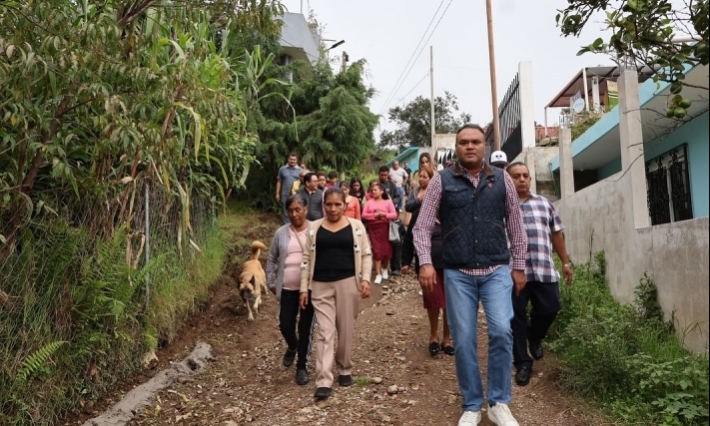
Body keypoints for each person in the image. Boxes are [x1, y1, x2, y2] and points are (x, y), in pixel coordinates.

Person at [413, 124, 528, 426]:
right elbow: (422, 226)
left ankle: (499, 402)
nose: (470, 147)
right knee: (463, 339)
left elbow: (516, 226)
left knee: (502, 330)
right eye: (463, 142)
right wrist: (425, 262)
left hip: (496, 270)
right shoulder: (441, 181)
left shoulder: (502, 179)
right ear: (456, 147)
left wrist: (519, 266)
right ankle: (473, 404)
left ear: (484, 146)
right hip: (458, 273)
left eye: (476, 141)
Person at [299, 188, 372, 400]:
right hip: (320, 285)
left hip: (348, 282)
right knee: (325, 330)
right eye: (328, 204)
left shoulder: (356, 227)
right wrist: (304, 288)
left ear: (345, 205)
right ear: (323, 205)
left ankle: (345, 368)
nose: (332, 209)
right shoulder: (314, 227)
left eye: (337, 204)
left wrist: (365, 278)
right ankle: (323, 379)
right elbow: (306, 259)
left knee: (346, 329)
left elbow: (366, 254)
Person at [506, 162, 573, 387]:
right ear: (508, 180)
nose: (522, 179)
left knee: (551, 308)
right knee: (515, 318)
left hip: (544, 269)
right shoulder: (502, 207)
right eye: (516, 176)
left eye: (526, 175)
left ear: (531, 180)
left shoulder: (544, 204)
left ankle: (534, 336)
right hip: (515, 273)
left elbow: (556, 235)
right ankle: (523, 363)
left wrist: (565, 262)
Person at [402, 168, 452, 357]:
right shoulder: (420, 213)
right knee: (433, 300)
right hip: (428, 265)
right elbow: (409, 239)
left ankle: (447, 338)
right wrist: (405, 261)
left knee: (450, 303)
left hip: (452, 264)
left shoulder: (453, 214)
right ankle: (433, 335)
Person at [266, 194, 315, 386]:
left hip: (309, 290)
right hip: (286, 289)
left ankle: (302, 367)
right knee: (285, 325)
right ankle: (292, 346)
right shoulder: (281, 233)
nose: (294, 214)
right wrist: (271, 282)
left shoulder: (315, 230)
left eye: (298, 209)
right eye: (290, 211)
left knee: (305, 328)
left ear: (305, 210)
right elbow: (271, 258)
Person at [361, 182, 398, 285]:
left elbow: (394, 214)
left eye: (376, 190)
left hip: (385, 227)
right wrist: (374, 216)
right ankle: (378, 274)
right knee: (376, 251)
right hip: (373, 228)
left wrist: (384, 214)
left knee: (386, 249)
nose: (373, 192)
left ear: (382, 191)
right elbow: (364, 215)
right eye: (372, 190)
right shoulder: (369, 202)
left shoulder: (387, 202)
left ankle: (385, 269)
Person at [276, 153, 301, 224]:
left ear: (297, 160)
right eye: (291, 159)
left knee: (296, 210)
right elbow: (279, 181)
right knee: (286, 211)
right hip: (285, 194)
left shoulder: (300, 170)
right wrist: (277, 193)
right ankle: (287, 227)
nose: (292, 161)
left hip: (296, 195)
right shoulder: (282, 169)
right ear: (288, 159)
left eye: (294, 160)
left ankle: (295, 226)